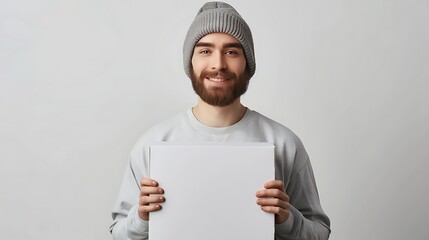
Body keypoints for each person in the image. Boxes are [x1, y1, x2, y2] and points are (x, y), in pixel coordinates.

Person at [110, 2, 331, 239]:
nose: (218, 64)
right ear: (190, 62)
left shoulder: (284, 143)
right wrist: (142, 217)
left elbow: (320, 232)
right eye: (205, 51)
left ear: (247, 63)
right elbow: (118, 234)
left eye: (232, 52)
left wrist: (287, 218)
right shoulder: (152, 144)